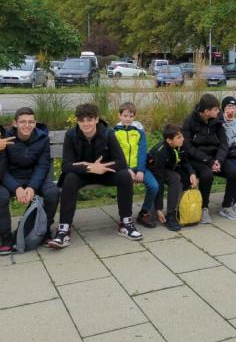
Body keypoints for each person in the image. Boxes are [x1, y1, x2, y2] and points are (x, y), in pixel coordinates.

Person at [48, 103, 142, 249]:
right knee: (69, 179)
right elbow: (66, 166)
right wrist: (91, 167)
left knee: (124, 176)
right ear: (77, 121)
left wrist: (102, 168)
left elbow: (121, 162)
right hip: (83, 174)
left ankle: (126, 223)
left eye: (89, 119)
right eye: (81, 120)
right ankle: (64, 230)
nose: (86, 123)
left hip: (104, 173)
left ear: (96, 119)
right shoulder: (71, 135)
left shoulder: (108, 133)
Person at [0, 108, 59, 255]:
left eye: (31, 122)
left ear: (35, 123)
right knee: (1, 196)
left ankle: (45, 230)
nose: (27, 125)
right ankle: (6, 237)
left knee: (52, 192)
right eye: (22, 122)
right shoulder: (5, 139)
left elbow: (43, 165)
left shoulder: (43, 138)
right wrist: (17, 188)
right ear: (15, 123)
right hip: (11, 177)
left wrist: (32, 187)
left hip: (35, 177)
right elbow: (2, 169)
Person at [182, 93, 236, 223]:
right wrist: (209, 161)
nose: (219, 112)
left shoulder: (217, 121)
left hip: (215, 158)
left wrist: (218, 160)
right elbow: (188, 148)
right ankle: (204, 208)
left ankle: (226, 206)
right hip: (197, 159)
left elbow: (224, 143)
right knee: (207, 175)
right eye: (216, 109)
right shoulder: (189, 122)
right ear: (206, 111)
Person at [114, 102, 159, 228]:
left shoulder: (139, 132)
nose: (128, 119)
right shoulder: (114, 133)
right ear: (119, 116)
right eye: (125, 115)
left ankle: (144, 212)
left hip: (139, 168)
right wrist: (127, 169)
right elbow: (116, 155)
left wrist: (140, 170)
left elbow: (142, 151)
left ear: (134, 117)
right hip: (123, 169)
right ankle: (125, 217)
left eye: (131, 116)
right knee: (126, 188)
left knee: (154, 186)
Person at [148, 124, 198, 231]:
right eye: (179, 137)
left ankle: (176, 211)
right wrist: (159, 208)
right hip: (154, 170)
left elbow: (185, 161)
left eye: (182, 136)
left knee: (183, 178)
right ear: (169, 140)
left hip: (169, 168)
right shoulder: (160, 152)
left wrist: (192, 173)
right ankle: (165, 213)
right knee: (175, 178)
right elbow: (159, 181)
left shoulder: (180, 145)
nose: (183, 139)